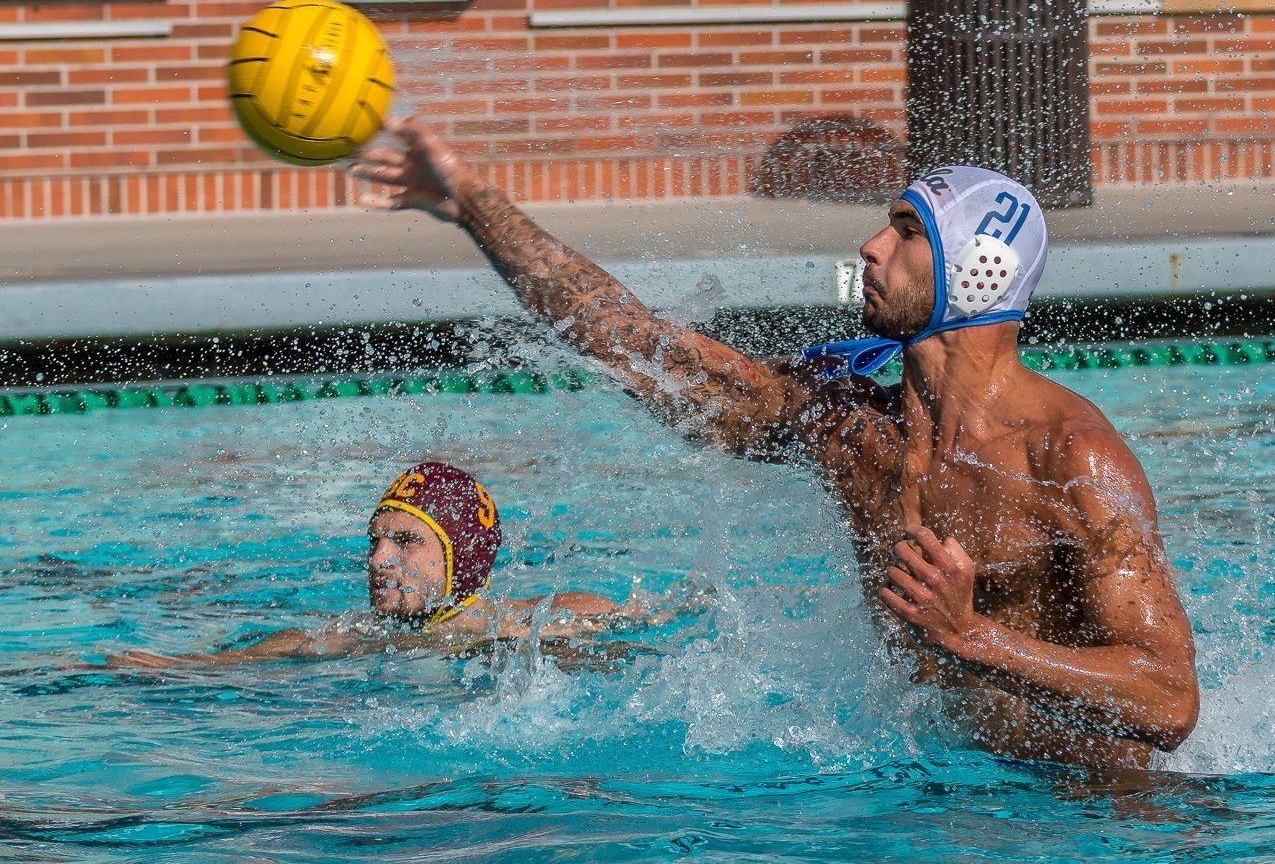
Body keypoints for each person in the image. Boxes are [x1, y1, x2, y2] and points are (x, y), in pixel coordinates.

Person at [353, 126, 1200, 768]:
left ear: (978, 266)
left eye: (906, 231)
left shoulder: (1072, 460)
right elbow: (631, 340)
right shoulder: (849, 427)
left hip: (1084, 812)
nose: (871, 245)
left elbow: (1168, 698)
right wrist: (470, 203)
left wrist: (976, 637)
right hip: (936, 784)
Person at [108, 462, 631, 668]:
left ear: (460, 561)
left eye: (404, 541)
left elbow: (622, 618)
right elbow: (286, 646)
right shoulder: (356, 635)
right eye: (375, 541)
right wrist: (180, 667)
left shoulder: (526, 620)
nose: (379, 560)